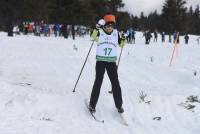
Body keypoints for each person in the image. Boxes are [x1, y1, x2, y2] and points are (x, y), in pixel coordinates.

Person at [89, 13, 126, 114]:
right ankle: (92, 105)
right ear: (104, 26)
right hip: (101, 61)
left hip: (111, 62)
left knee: (115, 83)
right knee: (98, 81)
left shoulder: (115, 33)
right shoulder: (100, 32)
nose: (110, 28)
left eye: (112, 26)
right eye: (108, 26)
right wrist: (96, 28)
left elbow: (121, 44)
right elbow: (92, 37)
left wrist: (123, 38)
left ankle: (119, 105)